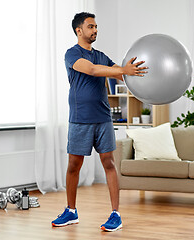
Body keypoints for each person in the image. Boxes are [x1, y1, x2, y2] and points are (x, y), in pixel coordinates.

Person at [51, 12, 147, 232]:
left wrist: (134, 72)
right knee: (74, 165)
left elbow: (119, 74)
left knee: (109, 163)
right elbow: (92, 70)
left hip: (103, 118)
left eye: (96, 27)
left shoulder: (102, 55)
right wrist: (121, 70)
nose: (95, 30)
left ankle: (116, 215)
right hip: (80, 120)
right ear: (79, 30)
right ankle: (71, 211)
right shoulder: (72, 54)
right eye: (91, 26)